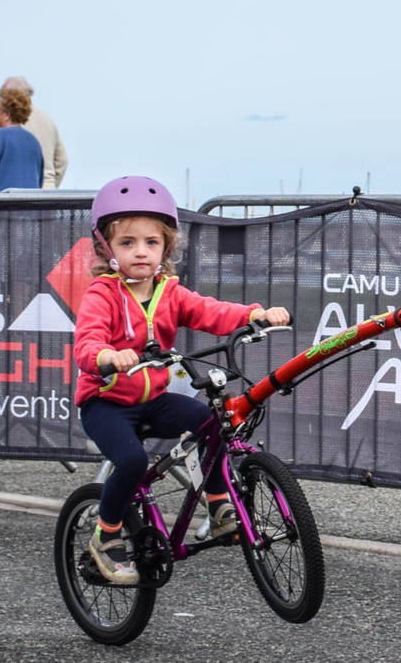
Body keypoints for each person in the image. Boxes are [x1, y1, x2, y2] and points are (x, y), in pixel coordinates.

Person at [70, 175, 290, 586]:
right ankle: (107, 535)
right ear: (106, 248)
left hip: (152, 398)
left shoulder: (169, 291)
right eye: (128, 242)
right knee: (133, 461)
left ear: (166, 247)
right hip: (105, 402)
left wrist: (253, 315)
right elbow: (87, 341)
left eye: (152, 243)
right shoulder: (102, 294)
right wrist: (107, 356)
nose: (141, 252)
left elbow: (211, 311)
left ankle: (220, 505)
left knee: (212, 422)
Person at [0, 76, 68, 188]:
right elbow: (62, 160)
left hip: (16, 193)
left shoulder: (7, 121)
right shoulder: (47, 120)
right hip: (47, 189)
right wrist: (51, 183)